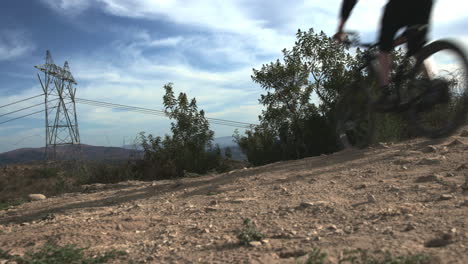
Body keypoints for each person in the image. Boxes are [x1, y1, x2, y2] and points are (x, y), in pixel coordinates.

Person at [334, 0, 434, 108]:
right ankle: (432, 86)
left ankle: (386, 93)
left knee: (384, 46)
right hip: (425, 4)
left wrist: (340, 29)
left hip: (402, 5)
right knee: (415, 46)